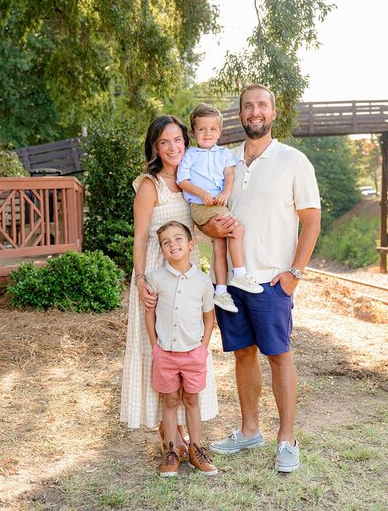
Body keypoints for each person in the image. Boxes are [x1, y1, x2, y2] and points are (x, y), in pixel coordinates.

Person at [201, 84, 321, 472]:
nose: (255, 111)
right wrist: (212, 230)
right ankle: (249, 429)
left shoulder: (293, 160)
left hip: (272, 280)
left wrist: (294, 274)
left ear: (272, 113)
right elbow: (206, 213)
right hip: (231, 284)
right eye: (248, 106)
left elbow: (312, 220)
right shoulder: (224, 160)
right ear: (239, 114)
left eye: (262, 105)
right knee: (242, 355)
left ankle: (287, 438)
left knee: (280, 356)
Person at [120, 115, 218, 453]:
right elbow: (140, 237)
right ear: (156, 148)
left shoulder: (194, 182)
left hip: (187, 277)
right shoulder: (151, 184)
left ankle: (188, 440)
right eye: (164, 142)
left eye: (178, 140)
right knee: (159, 350)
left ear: (186, 143)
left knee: (184, 346)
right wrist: (141, 279)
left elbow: (204, 227)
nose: (172, 147)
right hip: (154, 274)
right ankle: (171, 441)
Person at [145, 220, 218, 477]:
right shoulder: (155, 278)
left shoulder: (202, 281)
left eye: (178, 239)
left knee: (191, 399)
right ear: (162, 249)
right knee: (170, 400)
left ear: (190, 244)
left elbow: (209, 317)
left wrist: (203, 348)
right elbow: (150, 314)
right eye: (166, 242)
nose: (172, 245)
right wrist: (156, 347)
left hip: (193, 354)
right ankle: (172, 451)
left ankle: (196, 450)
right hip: (165, 353)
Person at [177, 103, 263, 314]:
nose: (207, 134)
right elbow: (183, 181)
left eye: (213, 129)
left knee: (220, 247)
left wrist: (225, 192)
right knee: (238, 229)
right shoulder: (190, 155)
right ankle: (241, 275)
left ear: (220, 132)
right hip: (201, 205)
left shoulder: (224, 154)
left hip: (217, 203)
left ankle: (221, 291)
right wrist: (201, 193)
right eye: (202, 129)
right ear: (193, 132)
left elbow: (229, 175)